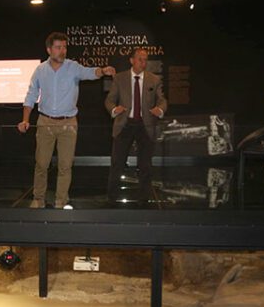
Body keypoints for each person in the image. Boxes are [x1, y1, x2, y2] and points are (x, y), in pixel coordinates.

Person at [18, 31, 116, 209]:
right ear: (49, 50)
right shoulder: (40, 70)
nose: (62, 51)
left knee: (65, 165)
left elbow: (89, 72)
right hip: (45, 122)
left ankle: (60, 201)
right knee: (41, 164)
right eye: (58, 47)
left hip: (68, 123)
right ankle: (38, 199)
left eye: (64, 47)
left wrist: (102, 71)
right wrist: (25, 119)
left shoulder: (73, 67)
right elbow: (31, 95)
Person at [104, 48, 167, 203]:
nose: (143, 62)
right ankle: (112, 197)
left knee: (145, 164)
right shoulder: (119, 78)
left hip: (145, 125)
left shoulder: (154, 79)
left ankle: (144, 199)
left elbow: (162, 100)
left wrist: (160, 109)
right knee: (117, 162)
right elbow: (109, 100)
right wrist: (114, 109)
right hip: (125, 124)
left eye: (145, 59)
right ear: (131, 60)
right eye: (140, 59)